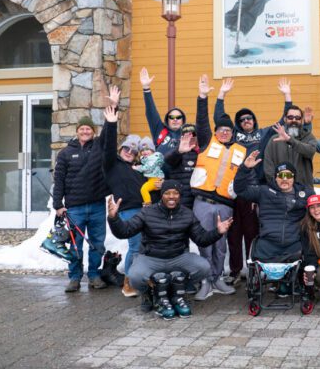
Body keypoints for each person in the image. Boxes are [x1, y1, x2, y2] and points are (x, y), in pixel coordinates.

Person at [107, 181, 233, 320]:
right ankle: (148, 293)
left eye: (175, 193)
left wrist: (217, 232)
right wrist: (113, 218)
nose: (171, 196)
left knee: (204, 267)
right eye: (167, 193)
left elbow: (201, 239)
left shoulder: (187, 214)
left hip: (178, 257)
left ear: (179, 195)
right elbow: (125, 231)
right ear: (162, 195)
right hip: (151, 257)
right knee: (134, 276)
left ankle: (177, 291)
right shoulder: (147, 212)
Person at [214, 76, 298, 285]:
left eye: (249, 118)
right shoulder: (234, 135)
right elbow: (219, 120)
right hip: (233, 190)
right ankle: (235, 271)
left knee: (252, 233)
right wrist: (221, 95)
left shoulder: (263, 133)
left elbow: (283, 121)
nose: (246, 121)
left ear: (254, 120)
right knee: (234, 234)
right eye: (242, 119)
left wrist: (287, 96)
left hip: (254, 190)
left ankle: (254, 269)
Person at [190, 75, 246, 299]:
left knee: (220, 244)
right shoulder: (207, 141)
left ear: (233, 132)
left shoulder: (241, 150)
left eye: (228, 130)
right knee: (205, 241)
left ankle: (218, 277)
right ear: (215, 132)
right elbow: (202, 120)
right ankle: (205, 280)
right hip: (203, 202)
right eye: (221, 129)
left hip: (225, 204)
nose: (224, 132)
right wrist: (203, 97)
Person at [102, 97, 161, 297]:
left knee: (146, 246)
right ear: (120, 149)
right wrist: (112, 122)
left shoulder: (138, 168)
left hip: (146, 210)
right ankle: (129, 283)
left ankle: (142, 278)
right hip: (128, 210)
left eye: (133, 150)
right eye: (126, 148)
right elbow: (107, 146)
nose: (129, 152)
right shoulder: (112, 164)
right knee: (135, 246)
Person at [52, 113, 109, 293]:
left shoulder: (99, 148)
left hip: (97, 206)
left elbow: (109, 132)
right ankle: (75, 278)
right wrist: (58, 204)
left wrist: (112, 112)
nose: (85, 131)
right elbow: (59, 180)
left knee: (97, 243)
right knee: (75, 244)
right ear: (77, 131)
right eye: (82, 129)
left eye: (88, 129)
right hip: (74, 208)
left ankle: (94, 275)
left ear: (94, 131)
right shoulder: (65, 153)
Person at [233, 154, 313, 263]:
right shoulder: (264, 191)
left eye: (288, 175)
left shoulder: (305, 194)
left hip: (294, 245)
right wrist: (245, 168)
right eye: (281, 175)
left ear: (294, 178)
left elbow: (318, 211)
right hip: (268, 245)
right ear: (275, 178)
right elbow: (239, 189)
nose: (284, 179)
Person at [264, 105, 318, 188]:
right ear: (285, 119)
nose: (294, 120)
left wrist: (289, 140)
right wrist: (276, 186)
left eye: (297, 118)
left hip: (304, 190)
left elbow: (310, 152)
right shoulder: (274, 139)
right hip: (280, 189)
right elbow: (268, 167)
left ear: (301, 120)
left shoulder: (308, 137)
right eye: (290, 117)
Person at [139, 67, 186, 156]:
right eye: (171, 117)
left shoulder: (188, 134)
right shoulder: (160, 130)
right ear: (167, 120)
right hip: (161, 165)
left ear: (183, 120)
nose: (175, 119)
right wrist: (146, 88)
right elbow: (151, 112)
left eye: (178, 117)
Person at [164, 124, 201, 209]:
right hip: (182, 199)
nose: (190, 138)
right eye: (186, 136)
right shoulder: (177, 151)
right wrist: (179, 151)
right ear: (181, 138)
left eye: (193, 135)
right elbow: (168, 160)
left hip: (199, 199)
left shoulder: (202, 151)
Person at [134, 137, 163, 205]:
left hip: (155, 180)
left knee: (144, 189)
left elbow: (147, 168)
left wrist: (136, 168)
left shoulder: (153, 159)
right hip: (152, 179)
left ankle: (147, 204)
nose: (145, 152)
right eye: (142, 150)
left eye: (147, 149)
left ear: (152, 151)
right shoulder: (147, 159)